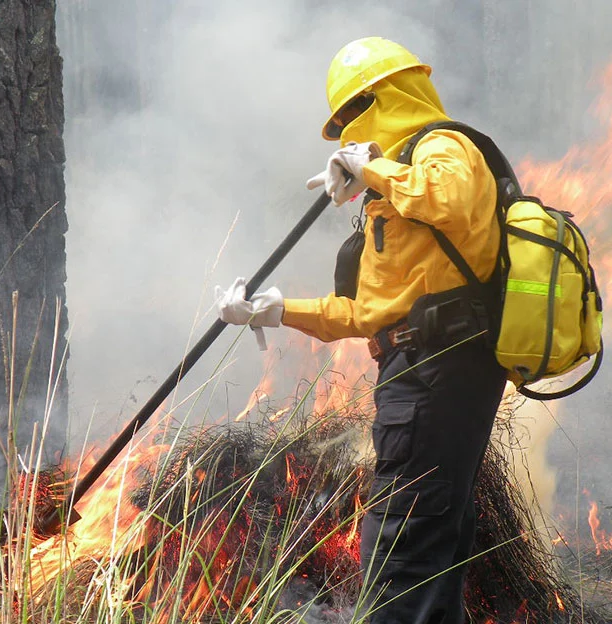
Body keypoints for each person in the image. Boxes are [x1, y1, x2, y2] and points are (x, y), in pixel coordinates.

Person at [217, 36, 507, 623]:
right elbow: (369, 315)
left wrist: (369, 166)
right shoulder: (393, 191)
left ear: (389, 94)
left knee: (399, 556)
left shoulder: (443, 147)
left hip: (437, 376)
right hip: (420, 373)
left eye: (354, 113)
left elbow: (447, 199)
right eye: (343, 124)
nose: (348, 131)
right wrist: (275, 310)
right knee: (427, 553)